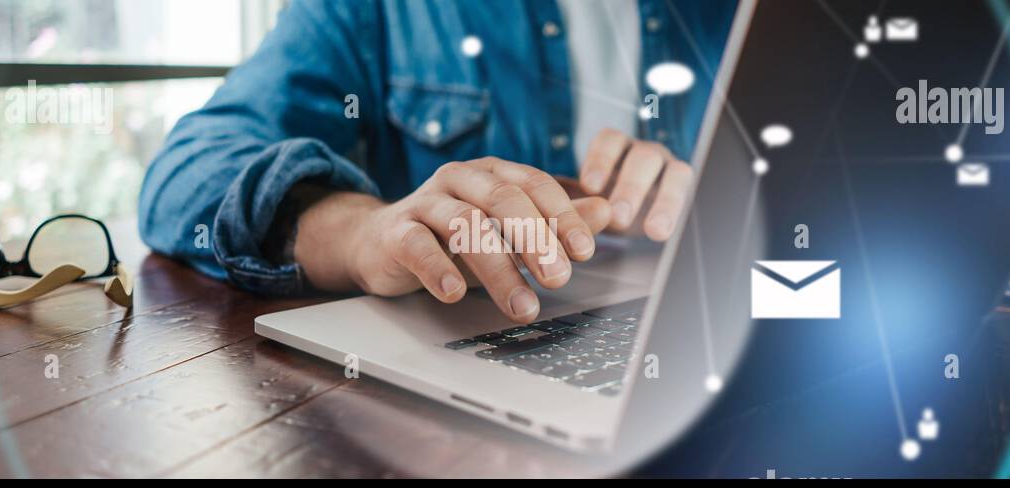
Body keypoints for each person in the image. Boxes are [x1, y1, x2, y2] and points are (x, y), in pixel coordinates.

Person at [139, 0, 735, 323]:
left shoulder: (736, 15)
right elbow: (184, 173)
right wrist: (362, 234)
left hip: (704, 329)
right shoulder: (379, 10)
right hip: (461, 344)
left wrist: (719, 205)